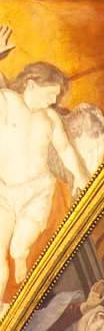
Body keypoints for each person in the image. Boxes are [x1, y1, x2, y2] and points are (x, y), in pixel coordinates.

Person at [0, 31, 92, 305]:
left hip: (38, 192)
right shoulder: (5, 101)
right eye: (50, 94)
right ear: (31, 83)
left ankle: (20, 255)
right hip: (4, 192)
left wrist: (83, 176)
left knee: (19, 245)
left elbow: (65, 150)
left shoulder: (50, 118)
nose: (53, 102)